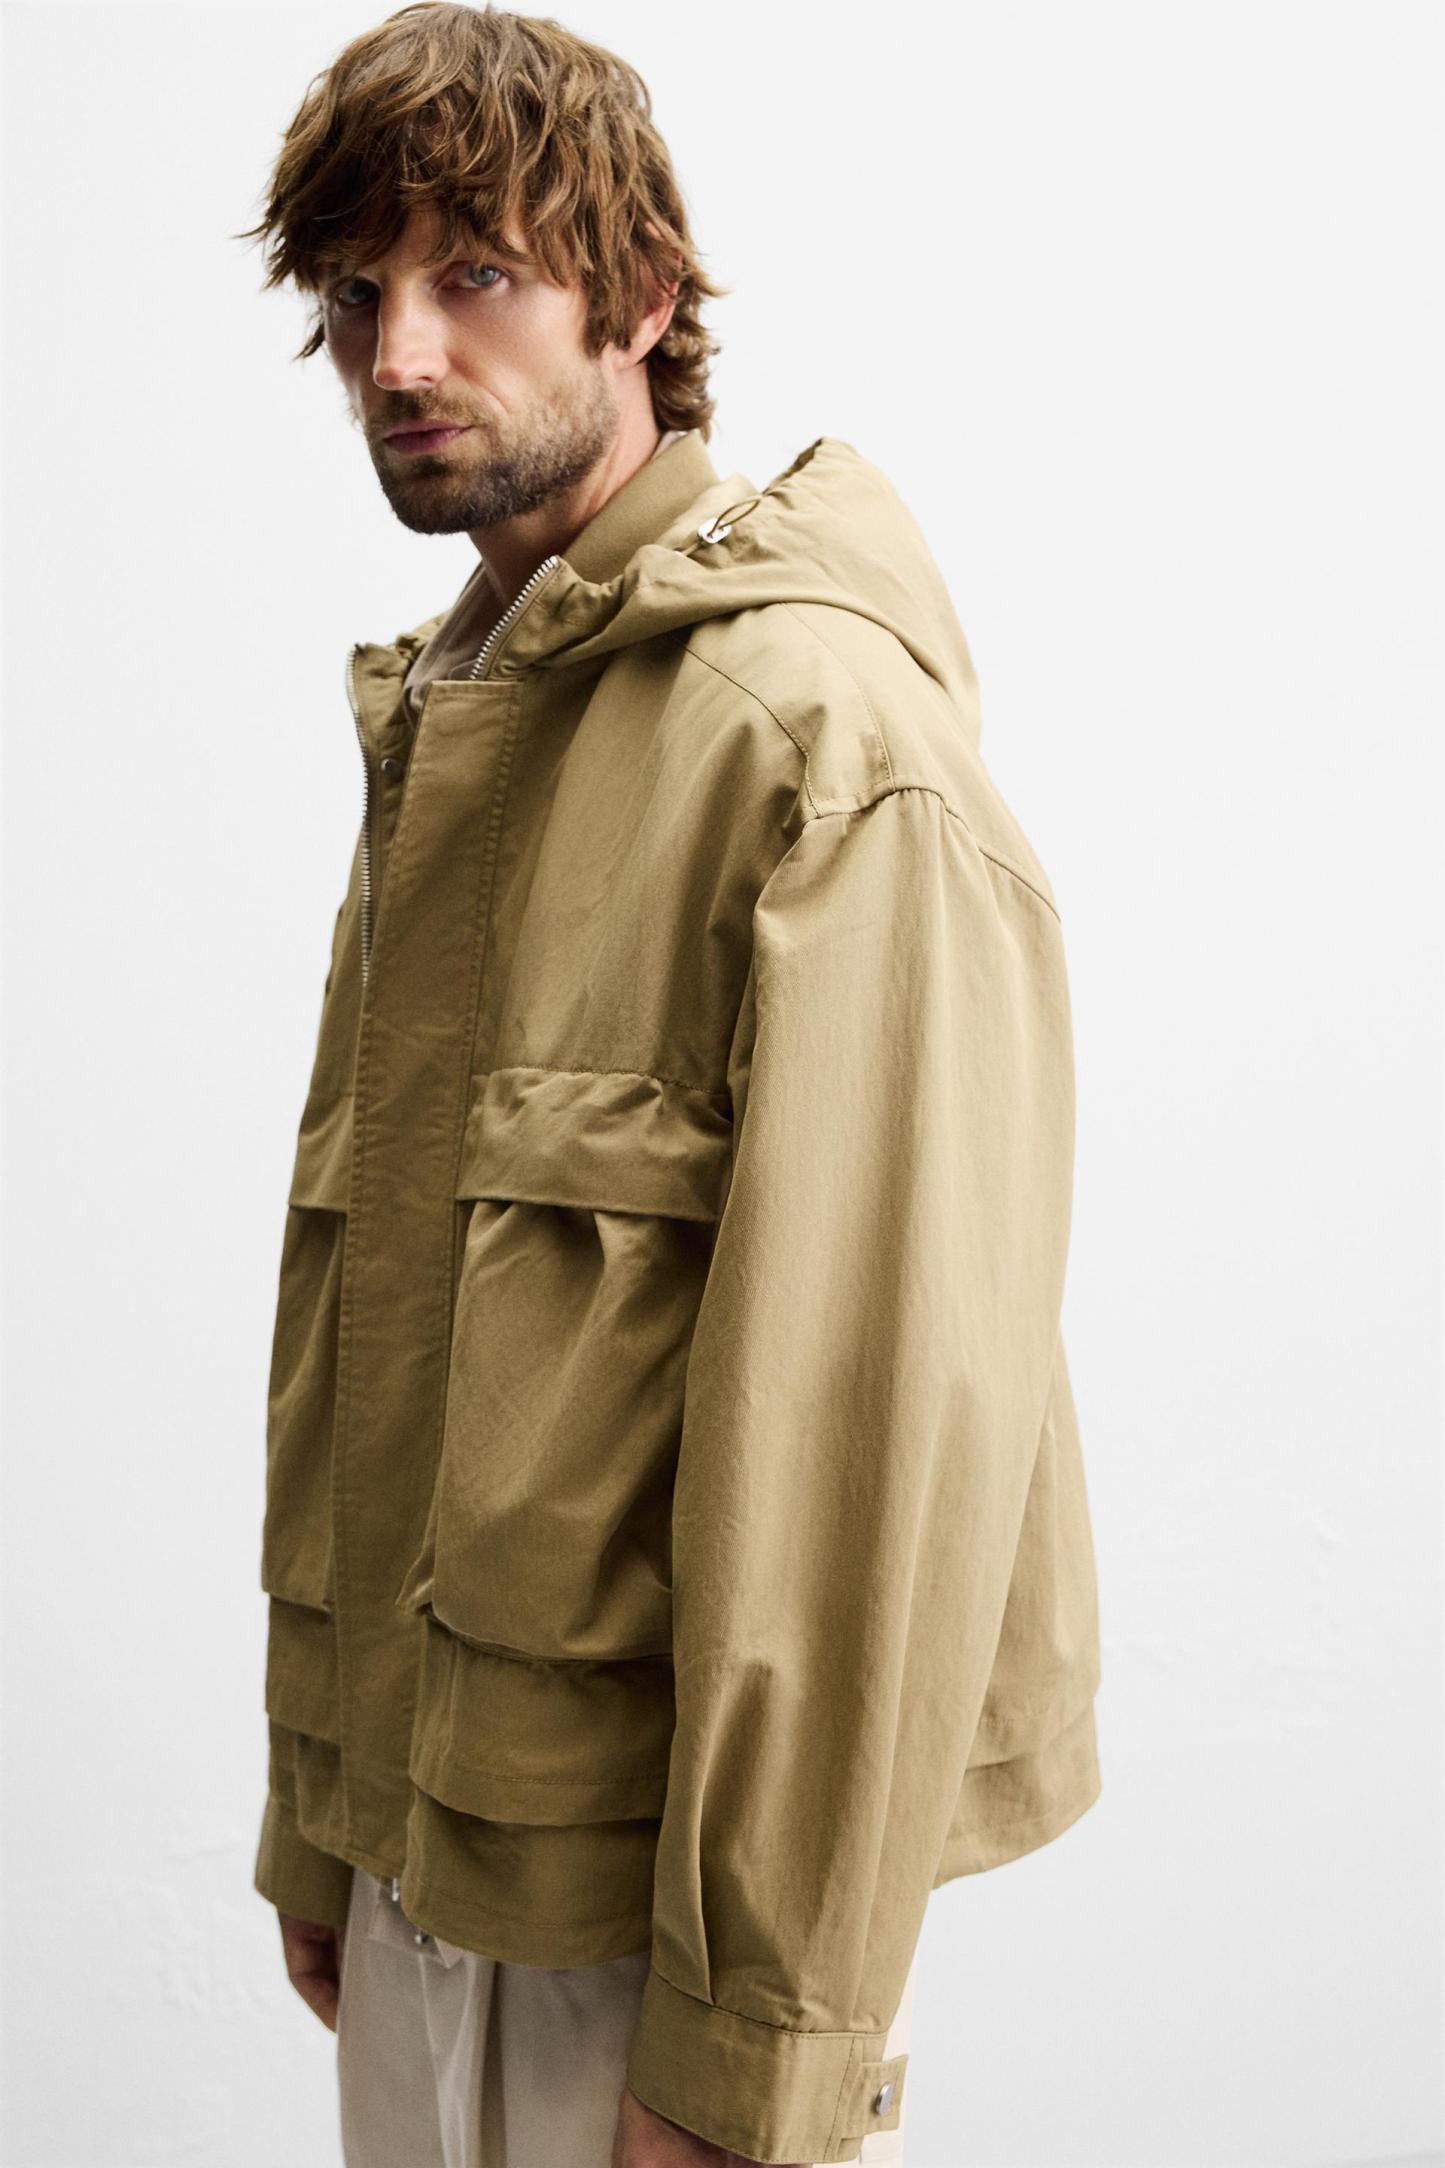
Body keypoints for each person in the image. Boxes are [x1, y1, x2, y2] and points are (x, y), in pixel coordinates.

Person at [237, 5, 1103, 2163]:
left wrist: (752, 2043)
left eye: (475, 275)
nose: (398, 354)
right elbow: (389, 1323)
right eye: (353, 293)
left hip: (649, 1939)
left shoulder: (818, 748)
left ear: (639, 295)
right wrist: (327, 1806)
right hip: (427, 1869)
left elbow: (872, 1446)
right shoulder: (459, 718)